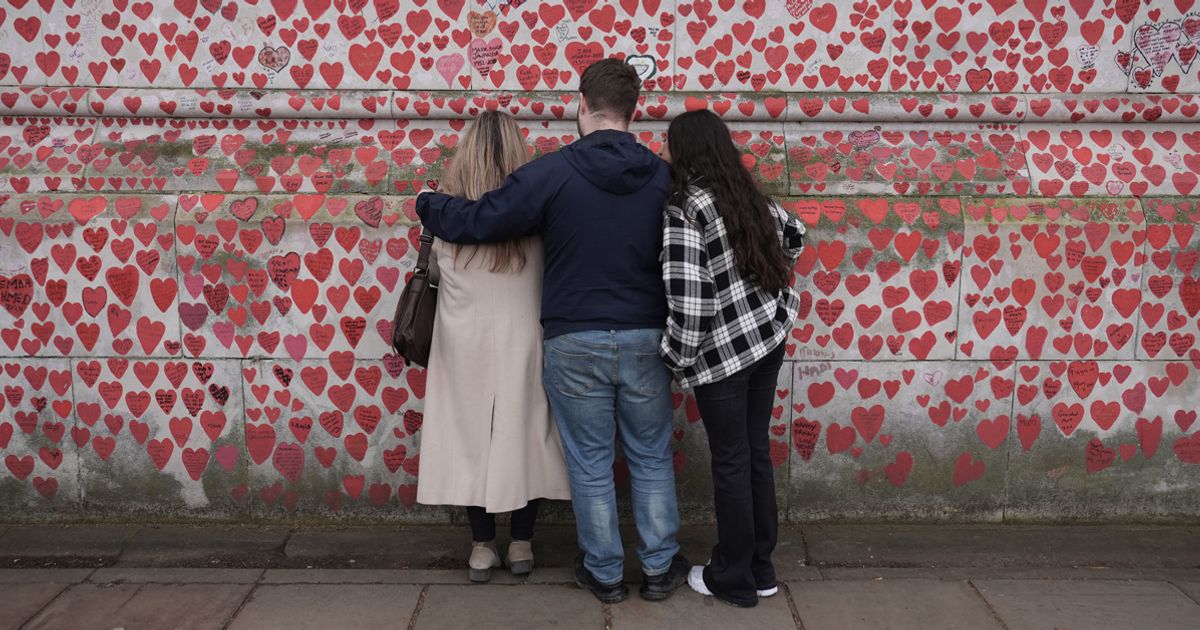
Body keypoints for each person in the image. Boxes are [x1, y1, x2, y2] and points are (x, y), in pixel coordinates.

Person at [416, 59, 689, 604]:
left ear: (581, 105)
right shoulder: (664, 177)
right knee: (651, 454)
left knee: (589, 460)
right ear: (634, 112)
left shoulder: (552, 172)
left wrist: (429, 203)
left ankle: (606, 573)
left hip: (574, 338)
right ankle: (659, 569)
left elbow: (480, 221)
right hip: (645, 335)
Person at [415, 110, 571, 583]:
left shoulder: (444, 219)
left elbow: (435, 276)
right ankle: (522, 542)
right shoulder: (540, 220)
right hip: (526, 341)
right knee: (527, 436)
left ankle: (482, 547)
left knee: (469, 440)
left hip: (463, 345)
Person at [658, 109, 806, 608]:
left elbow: (691, 300)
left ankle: (733, 577)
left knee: (731, 459)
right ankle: (762, 568)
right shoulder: (747, 194)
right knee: (754, 451)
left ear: (684, 151)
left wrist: (674, 359)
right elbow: (795, 235)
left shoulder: (685, 207)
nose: (663, 153)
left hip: (723, 353)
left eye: (668, 145)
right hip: (768, 336)